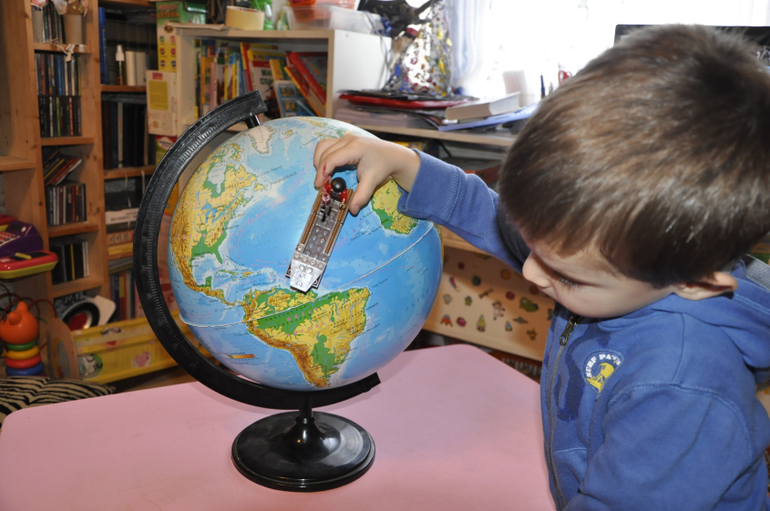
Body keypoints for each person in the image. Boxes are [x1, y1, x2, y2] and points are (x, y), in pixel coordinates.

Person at [313, 24, 770, 510]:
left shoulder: (680, 388)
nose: (530, 273)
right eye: (532, 245)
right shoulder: (624, 267)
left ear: (695, 284)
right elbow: (487, 214)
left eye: (564, 275)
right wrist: (405, 163)